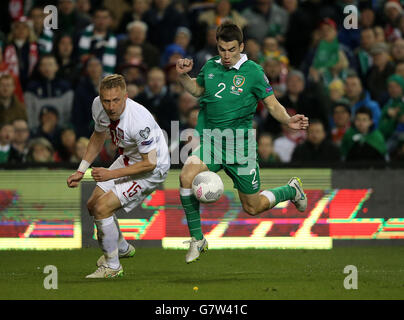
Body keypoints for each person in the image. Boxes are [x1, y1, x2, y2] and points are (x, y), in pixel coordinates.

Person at [176, 22, 309, 264]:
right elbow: (196, 90)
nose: (226, 55)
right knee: (186, 175)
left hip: (240, 148)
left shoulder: (254, 72)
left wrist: (289, 120)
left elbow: (272, 104)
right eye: (222, 49)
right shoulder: (210, 66)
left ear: (242, 47)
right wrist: (183, 75)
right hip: (213, 142)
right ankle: (197, 239)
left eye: (231, 49)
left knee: (253, 206)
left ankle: (291, 189)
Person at [66, 74, 170, 278]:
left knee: (102, 208)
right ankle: (120, 247)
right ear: (100, 97)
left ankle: (112, 267)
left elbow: (150, 163)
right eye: (106, 100)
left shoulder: (139, 121)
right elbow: (98, 136)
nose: (110, 106)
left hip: (152, 169)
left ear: (126, 96)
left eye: (116, 100)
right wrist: (81, 170)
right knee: (92, 205)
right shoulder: (98, 106)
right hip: (129, 158)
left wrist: (110, 174)